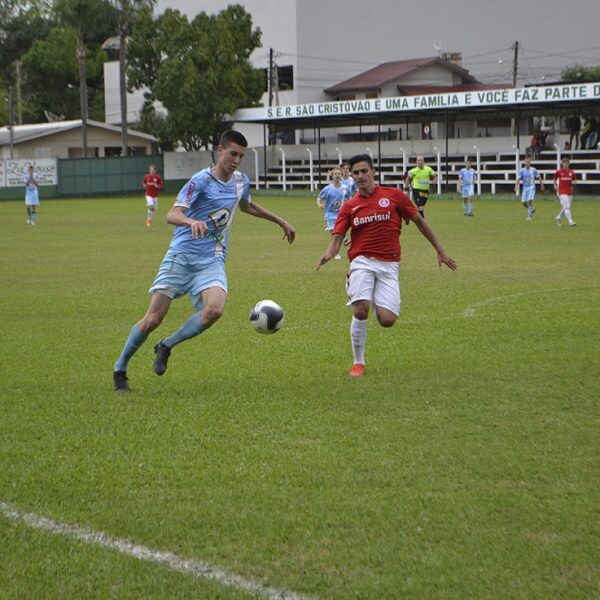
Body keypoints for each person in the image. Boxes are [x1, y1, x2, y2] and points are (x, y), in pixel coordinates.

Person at [113, 130, 296, 392]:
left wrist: (280, 220)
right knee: (153, 319)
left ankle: (166, 345)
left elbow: (247, 206)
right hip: (181, 256)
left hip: (212, 259)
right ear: (219, 150)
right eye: (232, 154)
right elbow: (172, 214)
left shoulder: (241, 181)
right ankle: (120, 369)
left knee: (214, 310)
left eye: (241, 156)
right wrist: (191, 221)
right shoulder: (200, 181)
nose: (236, 160)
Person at [316, 153, 458, 378]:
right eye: (356, 173)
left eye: (364, 171)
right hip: (362, 261)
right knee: (361, 308)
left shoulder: (394, 196)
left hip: (389, 265)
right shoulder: (349, 207)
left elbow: (420, 222)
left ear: (373, 172)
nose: (360, 176)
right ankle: (358, 363)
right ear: (350, 176)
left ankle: (361, 289)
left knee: (387, 320)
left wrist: (440, 250)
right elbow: (337, 237)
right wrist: (329, 254)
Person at [316, 166, 351, 259]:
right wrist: (319, 205)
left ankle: (342, 242)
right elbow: (319, 198)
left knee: (338, 233)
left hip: (341, 214)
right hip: (330, 214)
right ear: (332, 175)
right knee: (335, 233)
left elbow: (350, 199)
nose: (337, 175)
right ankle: (337, 251)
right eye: (335, 174)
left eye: (339, 174)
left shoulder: (345, 188)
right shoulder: (327, 189)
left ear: (341, 175)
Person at [404, 155, 437, 220]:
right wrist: (406, 189)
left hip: (426, 191)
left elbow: (433, 176)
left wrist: (434, 181)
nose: (420, 162)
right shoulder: (413, 171)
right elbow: (408, 179)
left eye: (421, 160)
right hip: (417, 190)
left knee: (420, 208)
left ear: (424, 161)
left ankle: (408, 215)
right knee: (421, 208)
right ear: (416, 162)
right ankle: (423, 222)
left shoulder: (428, 169)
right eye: (418, 160)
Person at [515, 156, 544, 220]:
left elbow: (539, 177)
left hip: (531, 187)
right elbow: (518, 179)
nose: (527, 163)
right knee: (523, 203)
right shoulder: (522, 170)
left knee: (529, 201)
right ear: (524, 162)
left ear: (530, 162)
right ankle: (532, 209)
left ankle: (529, 216)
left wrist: (542, 185)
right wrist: (516, 186)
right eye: (526, 162)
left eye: (528, 162)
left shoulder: (533, 170)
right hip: (525, 188)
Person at [553, 157, 577, 227]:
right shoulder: (559, 172)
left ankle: (558, 217)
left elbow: (575, 180)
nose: (565, 165)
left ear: (568, 164)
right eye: (564, 163)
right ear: (562, 164)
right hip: (562, 192)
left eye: (567, 163)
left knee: (565, 207)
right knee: (567, 207)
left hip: (569, 192)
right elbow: (554, 178)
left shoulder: (571, 172)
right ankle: (571, 222)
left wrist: (574, 182)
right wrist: (555, 185)